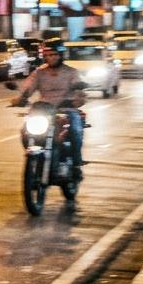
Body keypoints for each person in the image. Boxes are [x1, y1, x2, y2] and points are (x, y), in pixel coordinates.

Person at [10, 39, 87, 179]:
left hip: (66, 110)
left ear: (61, 55)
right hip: (44, 110)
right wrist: (20, 98)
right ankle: (35, 156)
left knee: (76, 130)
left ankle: (76, 164)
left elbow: (80, 92)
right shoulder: (39, 73)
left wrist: (78, 99)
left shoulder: (72, 72)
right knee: (25, 131)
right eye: (49, 54)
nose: (52, 57)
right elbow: (27, 88)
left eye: (55, 54)